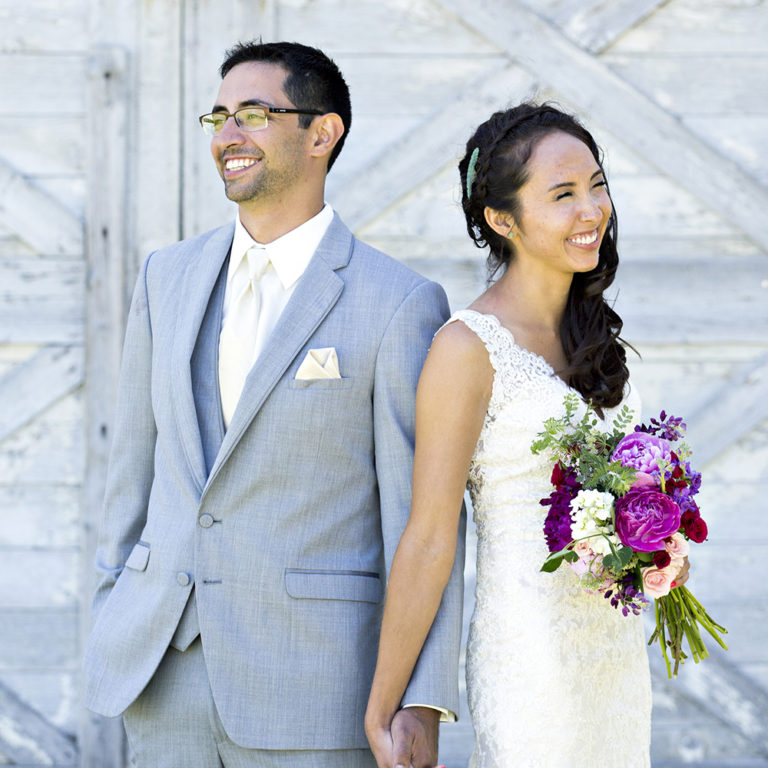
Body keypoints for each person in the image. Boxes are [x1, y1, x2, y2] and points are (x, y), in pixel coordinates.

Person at [82, 40, 464, 768]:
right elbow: (130, 473)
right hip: (161, 677)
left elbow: (425, 523)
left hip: (316, 690)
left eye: (254, 114)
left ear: (322, 134)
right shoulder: (166, 277)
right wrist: (114, 606)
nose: (229, 135)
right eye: (220, 116)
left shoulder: (398, 304)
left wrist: (422, 698)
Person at [366, 103, 685, 767]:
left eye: (597, 185)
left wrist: (657, 550)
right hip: (530, 660)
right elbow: (429, 537)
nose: (592, 209)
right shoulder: (466, 349)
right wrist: (388, 702)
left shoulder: (591, 336)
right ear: (501, 220)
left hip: (614, 660)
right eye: (563, 194)